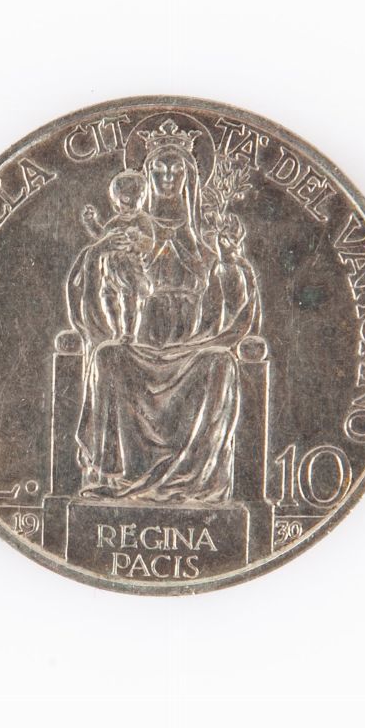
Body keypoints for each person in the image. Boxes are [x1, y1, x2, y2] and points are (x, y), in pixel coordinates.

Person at [62, 126, 259, 503]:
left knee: (221, 364)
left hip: (191, 348)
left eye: (176, 170)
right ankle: (114, 477)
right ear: (145, 177)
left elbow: (236, 301)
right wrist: (102, 252)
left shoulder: (207, 238)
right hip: (138, 344)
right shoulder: (127, 230)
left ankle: (192, 482)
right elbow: (94, 280)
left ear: (190, 178)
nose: (168, 177)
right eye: (159, 169)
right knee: (107, 357)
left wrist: (229, 261)